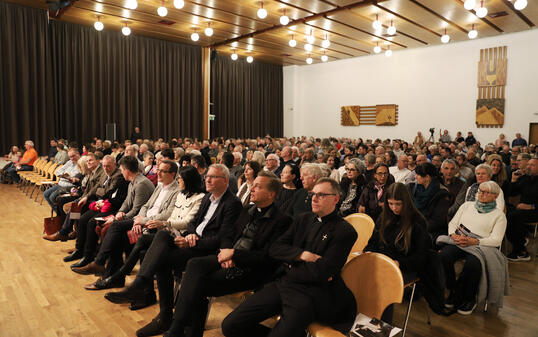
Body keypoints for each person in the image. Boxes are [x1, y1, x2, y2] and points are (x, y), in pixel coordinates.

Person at [139, 172, 292, 337]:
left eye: (258, 186)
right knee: (194, 264)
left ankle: (180, 327)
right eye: (253, 185)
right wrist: (226, 251)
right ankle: (178, 326)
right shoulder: (248, 209)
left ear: (271, 194)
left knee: (198, 284)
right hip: (227, 256)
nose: (252, 188)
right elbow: (228, 235)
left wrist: (235, 255)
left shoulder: (282, 220)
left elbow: (269, 258)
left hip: (250, 269)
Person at [222, 178, 357, 337]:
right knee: (231, 325)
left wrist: (289, 264)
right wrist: (301, 255)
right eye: (313, 194)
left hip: (311, 293)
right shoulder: (302, 219)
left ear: (335, 199)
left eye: (321, 195)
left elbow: (322, 272)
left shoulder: (345, 231)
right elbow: (274, 248)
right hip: (284, 284)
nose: (314, 198)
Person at [104, 164, 242, 313]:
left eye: (213, 177)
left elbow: (222, 237)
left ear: (225, 181)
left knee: (160, 258)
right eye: (207, 176)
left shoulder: (232, 203)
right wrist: (189, 234)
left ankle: (160, 308)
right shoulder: (208, 197)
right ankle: (140, 287)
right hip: (190, 238)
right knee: (160, 236)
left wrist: (192, 241)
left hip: (203, 249)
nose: (207, 180)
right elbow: (193, 223)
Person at [93, 166, 205, 293]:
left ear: (187, 180)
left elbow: (185, 221)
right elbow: (147, 206)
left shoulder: (198, 197)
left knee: (126, 234)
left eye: (181, 178)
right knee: (120, 234)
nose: (158, 173)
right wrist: (140, 220)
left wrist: (160, 223)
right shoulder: (180, 193)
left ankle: (117, 274)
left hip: (175, 232)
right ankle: (120, 277)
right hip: (160, 227)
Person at [75, 160, 178, 285]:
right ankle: (107, 273)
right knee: (107, 229)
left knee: (113, 227)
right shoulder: (159, 186)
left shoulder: (174, 190)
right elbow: (144, 206)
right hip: (140, 219)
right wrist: (128, 216)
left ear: (172, 174)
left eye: (162, 171)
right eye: (158, 170)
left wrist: (140, 220)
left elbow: (166, 214)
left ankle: (101, 264)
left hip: (153, 224)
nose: (158, 174)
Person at [364, 182, 431, 323]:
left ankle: (381, 326)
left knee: (382, 285)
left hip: (407, 266)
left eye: (398, 204)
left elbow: (421, 257)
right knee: (358, 275)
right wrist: (368, 252)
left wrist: (399, 263)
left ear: (406, 203)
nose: (394, 208)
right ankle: (363, 318)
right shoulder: (384, 217)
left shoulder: (417, 221)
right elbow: (373, 242)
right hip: (384, 262)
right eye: (390, 203)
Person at [439, 181, 508, 315]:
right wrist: (453, 235)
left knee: (473, 264)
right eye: (480, 191)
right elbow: (453, 223)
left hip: (481, 245)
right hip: (460, 240)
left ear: (495, 196)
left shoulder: (499, 215)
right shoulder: (467, 206)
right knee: (443, 256)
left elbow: (496, 240)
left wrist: (475, 241)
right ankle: (453, 289)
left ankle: (468, 298)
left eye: (485, 192)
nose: (481, 194)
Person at [64, 155, 129, 266]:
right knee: (78, 209)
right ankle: (76, 245)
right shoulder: (102, 173)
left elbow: (106, 191)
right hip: (94, 200)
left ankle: (87, 254)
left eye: (108, 166)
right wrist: (87, 196)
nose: (106, 168)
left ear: (114, 165)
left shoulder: (117, 175)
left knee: (88, 219)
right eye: (104, 166)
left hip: (107, 205)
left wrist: (98, 196)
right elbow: (96, 189)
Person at [409, 163, 451, 243]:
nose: (415, 177)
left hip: (431, 230)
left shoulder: (442, 194)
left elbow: (438, 221)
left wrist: (416, 227)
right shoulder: (415, 189)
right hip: (416, 224)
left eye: (418, 175)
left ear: (427, 177)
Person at [506, 157, 538, 261]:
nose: (528, 167)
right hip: (522, 210)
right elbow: (512, 193)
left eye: (532, 165)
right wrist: (513, 180)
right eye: (528, 164)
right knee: (506, 214)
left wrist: (531, 206)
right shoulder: (526, 178)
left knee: (514, 216)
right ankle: (520, 243)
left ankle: (521, 250)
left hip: (535, 210)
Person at [42, 149, 81, 216]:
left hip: (69, 186)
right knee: (45, 194)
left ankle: (61, 215)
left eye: (73, 156)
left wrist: (64, 176)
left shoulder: (80, 164)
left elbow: (73, 176)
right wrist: (65, 176)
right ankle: (59, 214)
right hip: (61, 184)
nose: (72, 158)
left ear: (78, 154)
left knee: (52, 197)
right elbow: (58, 171)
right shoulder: (69, 162)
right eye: (70, 157)